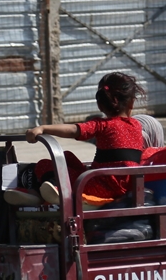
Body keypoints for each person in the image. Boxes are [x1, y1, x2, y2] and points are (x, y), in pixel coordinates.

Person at [15, 72, 146, 205]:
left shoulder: (102, 125)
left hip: (100, 186)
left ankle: (51, 192)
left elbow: (73, 130)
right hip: (126, 185)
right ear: (132, 103)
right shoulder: (136, 125)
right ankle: (45, 191)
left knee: (45, 164)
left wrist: (42, 128)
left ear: (100, 105)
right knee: (66, 156)